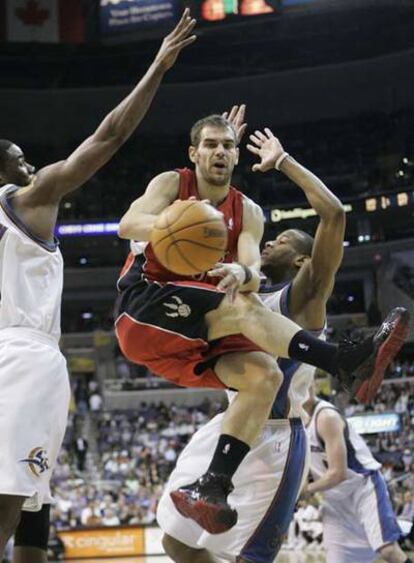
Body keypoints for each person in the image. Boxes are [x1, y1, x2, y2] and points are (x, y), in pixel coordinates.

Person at [117, 116, 408, 537]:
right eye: (211, 145)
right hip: (147, 307)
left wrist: (243, 270)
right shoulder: (172, 185)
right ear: (193, 152)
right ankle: (343, 361)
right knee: (241, 307)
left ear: (238, 155)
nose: (220, 152)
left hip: (206, 358)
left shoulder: (253, 221)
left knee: (263, 372)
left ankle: (213, 486)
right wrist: (175, 224)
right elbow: (130, 223)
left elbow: (253, 264)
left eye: (228, 146)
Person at [0, 10, 196, 562]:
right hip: (23, 353)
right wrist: (157, 65)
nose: (31, 164)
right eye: (18, 159)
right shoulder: (27, 199)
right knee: (16, 497)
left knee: (35, 497)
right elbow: (108, 136)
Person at [156, 126, 350, 562]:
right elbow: (203, 226)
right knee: (175, 542)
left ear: (302, 260)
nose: (269, 243)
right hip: (231, 427)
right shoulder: (239, 290)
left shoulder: (303, 297)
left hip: (277, 439)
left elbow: (334, 214)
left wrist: (282, 161)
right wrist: (221, 152)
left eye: (281, 241)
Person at [304, 390, 412, 563]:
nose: (304, 387)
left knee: (389, 551)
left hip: (363, 488)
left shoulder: (326, 416)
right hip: (334, 501)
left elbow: (338, 473)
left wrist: (304, 490)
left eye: (307, 382)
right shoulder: (294, 421)